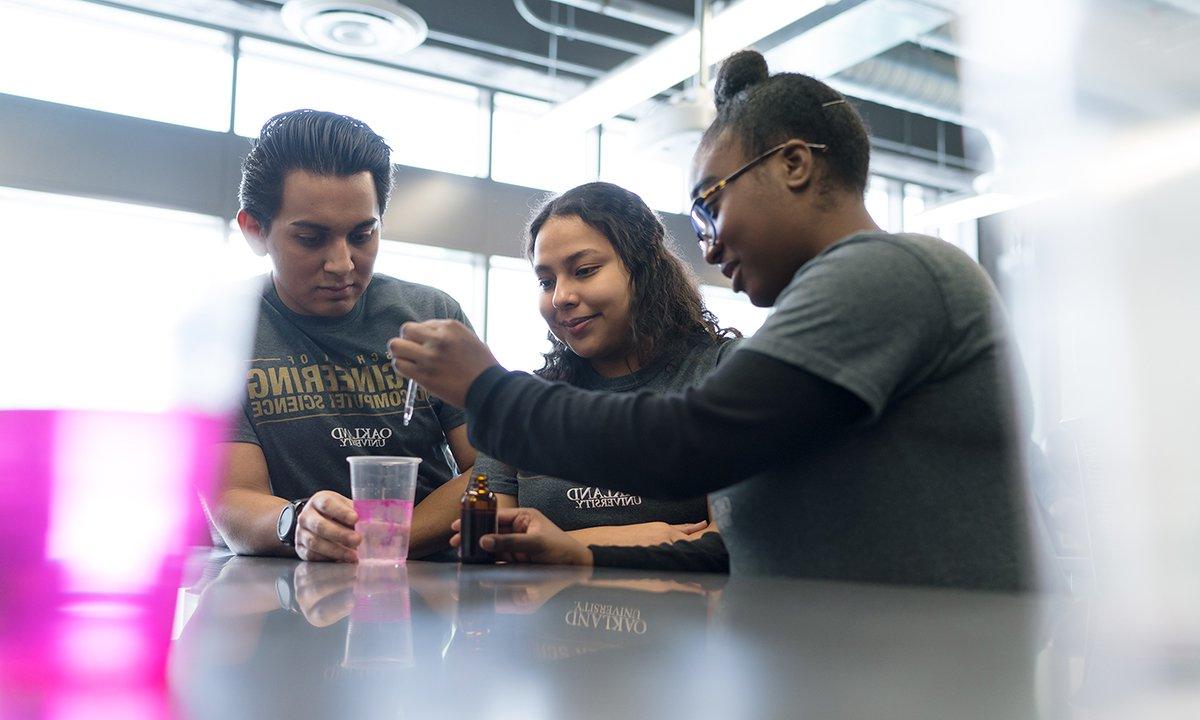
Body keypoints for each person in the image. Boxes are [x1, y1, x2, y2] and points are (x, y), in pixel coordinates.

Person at [395, 51, 1042, 591]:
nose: (705, 245)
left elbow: (689, 441)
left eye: (709, 204)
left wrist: (487, 389)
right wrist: (590, 555)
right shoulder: (842, 296)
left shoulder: (887, 273)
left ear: (793, 164)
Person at [208, 109, 475, 563]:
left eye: (362, 235)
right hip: (286, 590)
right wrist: (297, 523)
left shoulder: (431, 317)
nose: (342, 264)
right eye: (311, 238)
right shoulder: (223, 331)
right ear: (255, 230)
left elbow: (489, 468)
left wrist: (391, 539)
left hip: (427, 589)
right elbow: (231, 495)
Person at [472, 181, 738, 567]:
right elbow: (488, 546)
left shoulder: (718, 372)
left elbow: (733, 540)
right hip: (547, 625)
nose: (561, 296)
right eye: (546, 281)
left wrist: (554, 546)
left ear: (644, 268)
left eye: (584, 270)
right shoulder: (520, 403)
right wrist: (622, 539)